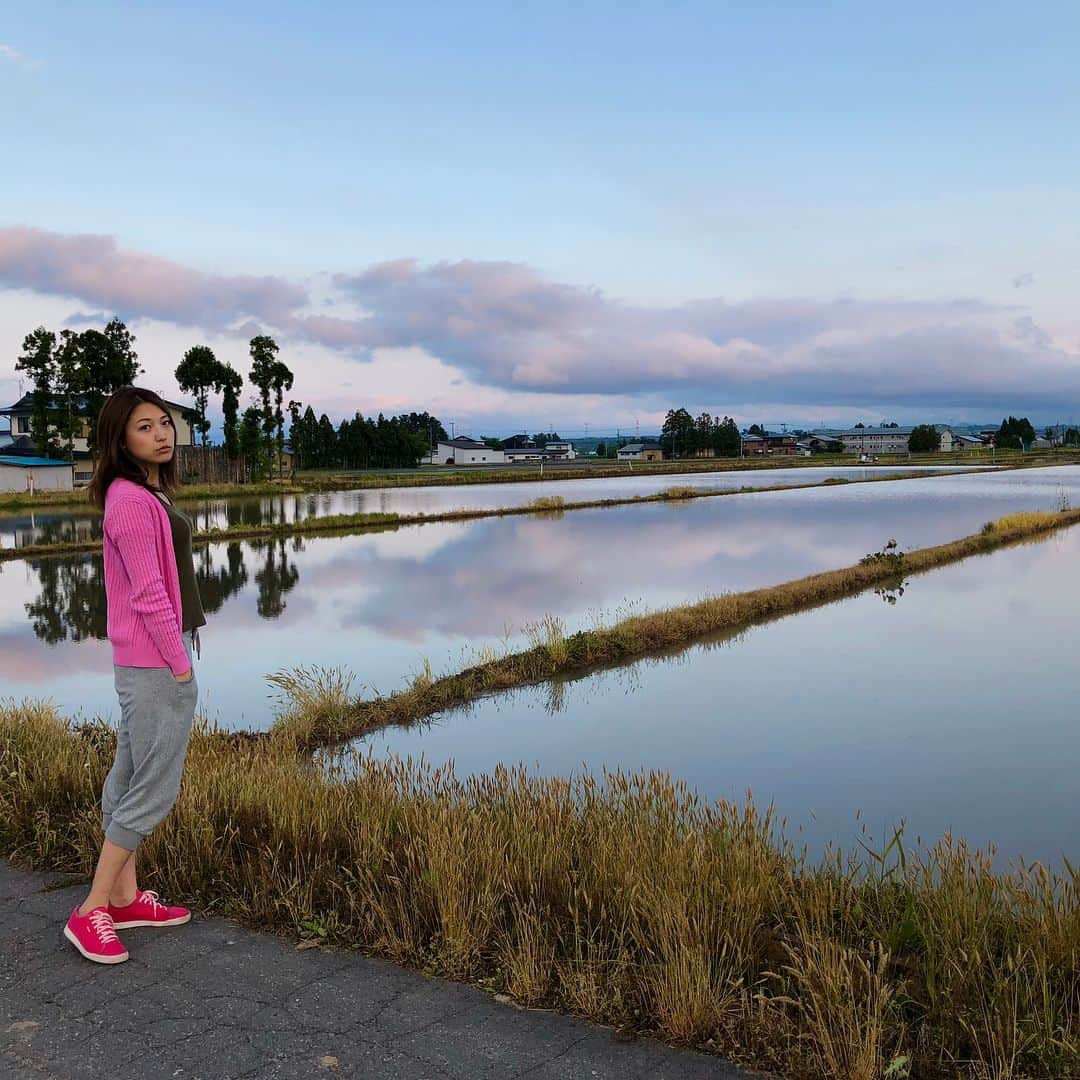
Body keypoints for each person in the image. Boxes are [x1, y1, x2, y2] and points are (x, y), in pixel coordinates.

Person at [63, 387, 206, 964]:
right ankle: (91, 908)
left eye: (165, 424)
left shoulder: (145, 494)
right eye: (145, 427)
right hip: (154, 664)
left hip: (146, 660)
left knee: (128, 776)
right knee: (154, 786)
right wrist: (179, 664)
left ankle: (123, 899)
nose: (162, 434)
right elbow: (148, 595)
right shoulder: (130, 501)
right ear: (120, 440)